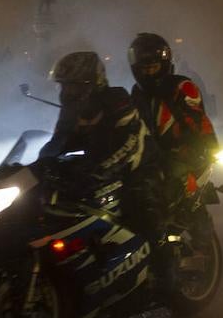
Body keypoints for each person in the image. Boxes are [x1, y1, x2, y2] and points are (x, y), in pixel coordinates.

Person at [38, 51, 161, 240]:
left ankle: (164, 264)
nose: (67, 93)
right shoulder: (71, 111)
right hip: (99, 169)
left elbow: (127, 145)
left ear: (92, 83)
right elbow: (59, 142)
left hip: (137, 168)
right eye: (64, 86)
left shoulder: (117, 101)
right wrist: (39, 166)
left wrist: (95, 173)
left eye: (73, 87)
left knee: (144, 216)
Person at [127, 33, 219, 208]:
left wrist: (198, 148)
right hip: (149, 157)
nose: (149, 72)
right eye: (144, 69)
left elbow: (198, 119)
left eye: (153, 67)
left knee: (176, 199)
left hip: (181, 156)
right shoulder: (137, 92)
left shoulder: (182, 86)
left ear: (164, 64)